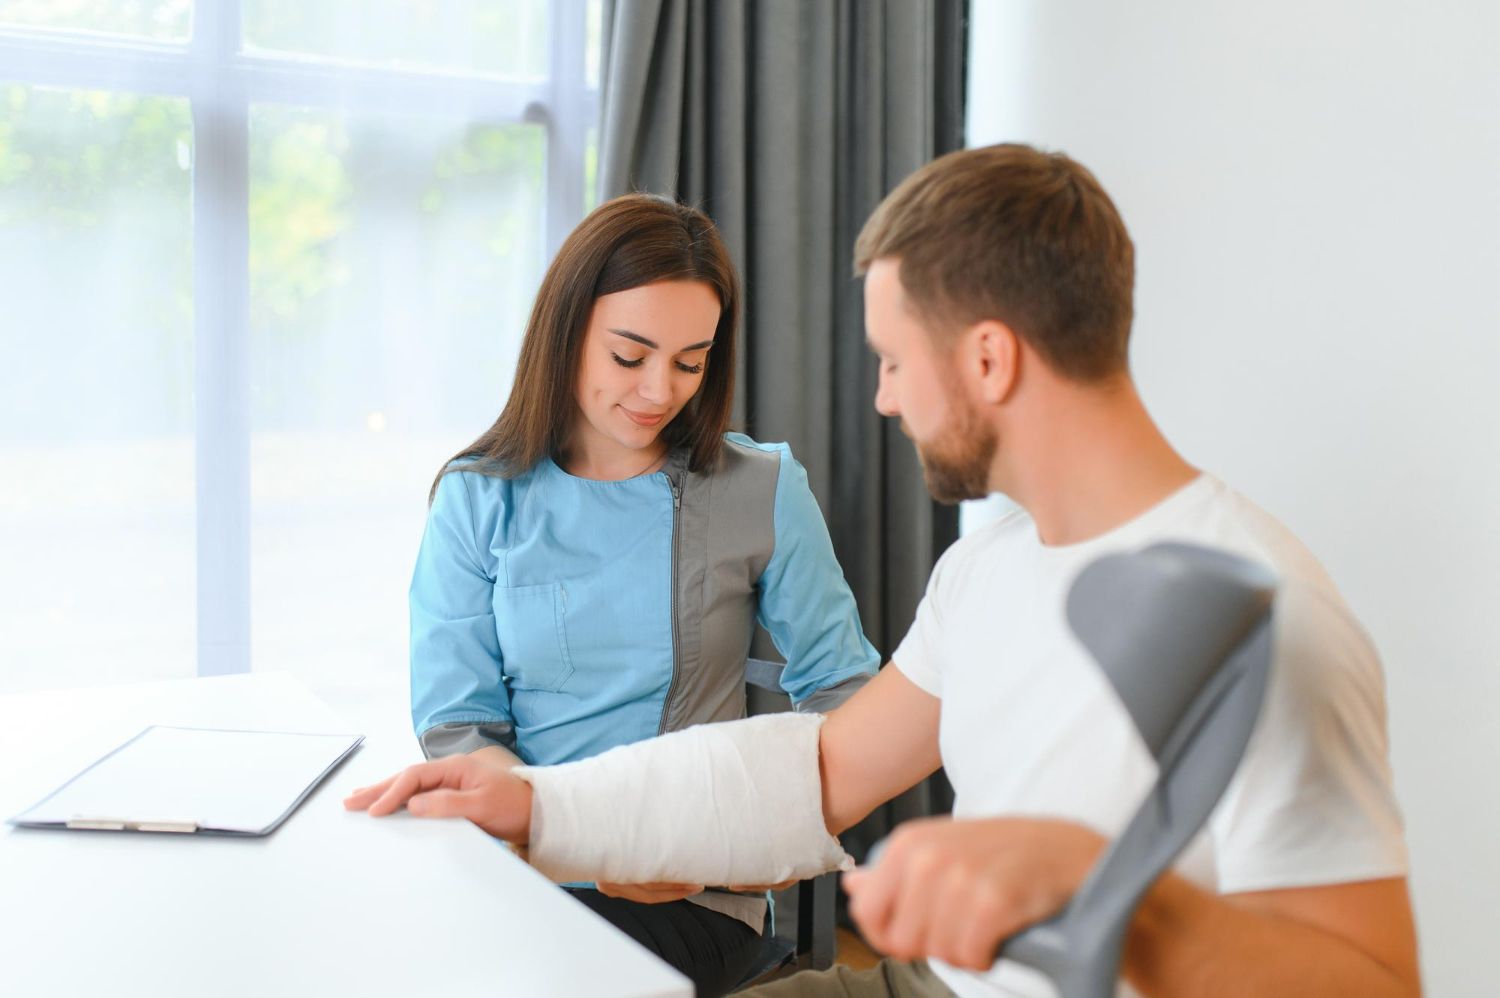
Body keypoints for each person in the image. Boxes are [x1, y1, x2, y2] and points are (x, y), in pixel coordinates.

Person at [349, 146, 1420, 997]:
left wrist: (1110, 896)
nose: (884, 399)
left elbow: (1376, 984)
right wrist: (535, 805)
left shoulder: (1269, 616)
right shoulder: (988, 568)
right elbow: (817, 771)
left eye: (896, 361)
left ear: (989, 359)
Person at [404, 193, 880, 996]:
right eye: (630, 356)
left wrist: (722, 839)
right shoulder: (478, 496)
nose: (660, 390)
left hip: (692, 890)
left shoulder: (760, 488)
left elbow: (849, 699)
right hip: (522, 870)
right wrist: (571, 844)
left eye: (690, 361)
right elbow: (459, 727)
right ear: (567, 335)